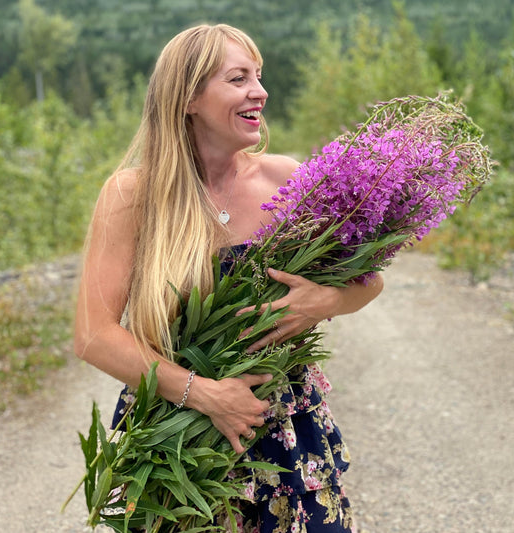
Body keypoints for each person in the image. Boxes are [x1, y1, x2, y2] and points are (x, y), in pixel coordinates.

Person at [74, 23, 383, 533]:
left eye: (258, 76)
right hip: (176, 438)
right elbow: (94, 334)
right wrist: (205, 395)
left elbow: (368, 280)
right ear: (190, 97)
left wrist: (322, 302)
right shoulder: (133, 196)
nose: (259, 91)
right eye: (238, 78)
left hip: (281, 424)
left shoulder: (288, 181)